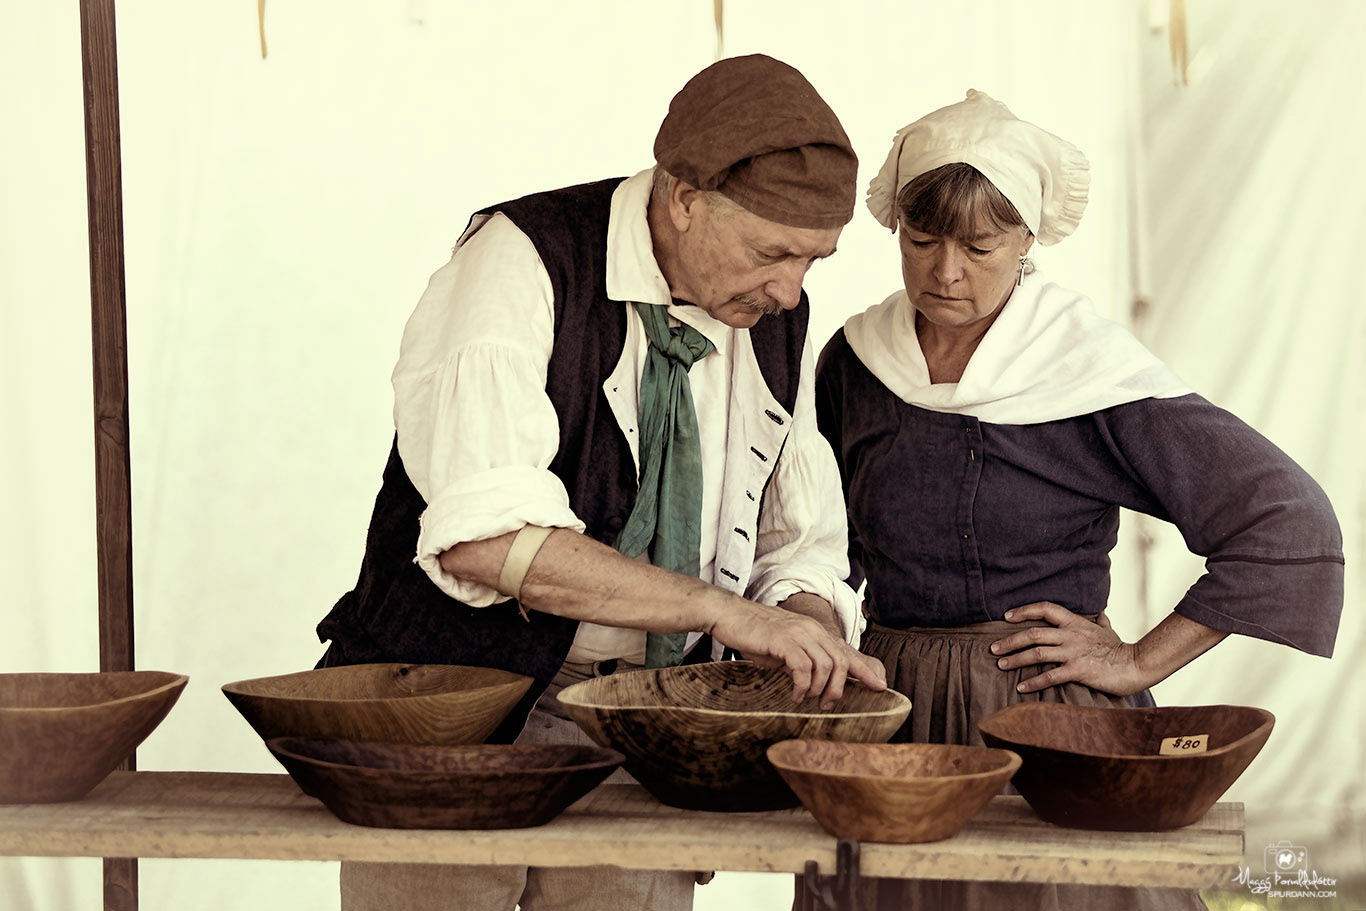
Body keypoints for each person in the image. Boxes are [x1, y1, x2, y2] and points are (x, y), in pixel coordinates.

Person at [315, 54, 887, 911]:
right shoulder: (523, 261)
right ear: (685, 197)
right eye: (772, 252)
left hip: (644, 726)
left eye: (814, 259)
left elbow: (793, 538)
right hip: (456, 711)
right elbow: (486, 540)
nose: (790, 288)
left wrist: (805, 630)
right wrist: (718, 610)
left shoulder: (771, 316)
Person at [813, 90, 1344, 911]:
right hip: (896, 721)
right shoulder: (855, 362)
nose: (946, 272)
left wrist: (1139, 660)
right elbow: (815, 541)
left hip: (1046, 721)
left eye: (979, 246)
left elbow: (1285, 521)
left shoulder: (1083, 369)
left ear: (1027, 240)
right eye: (922, 240)